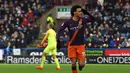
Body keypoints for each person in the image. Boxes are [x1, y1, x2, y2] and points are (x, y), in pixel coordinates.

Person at [57, 5, 95, 73]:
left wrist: (86, 12)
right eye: (79, 11)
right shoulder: (68, 22)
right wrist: (58, 40)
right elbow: (60, 30)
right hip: (72, 45)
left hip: (81, 46)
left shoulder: (83, 20)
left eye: (81, 11)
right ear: (74, 12)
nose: (81, 12)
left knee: (82, 64)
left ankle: (80, 66)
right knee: (73, 63)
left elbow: (93, 19)